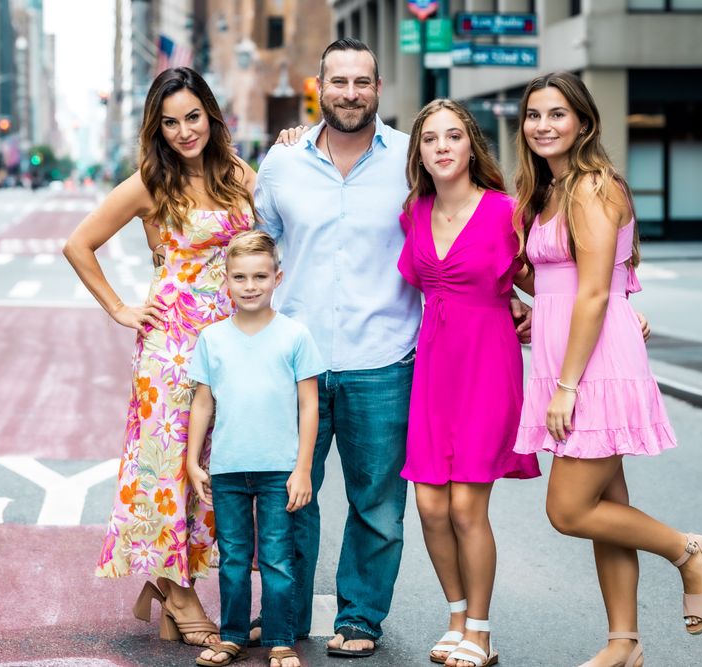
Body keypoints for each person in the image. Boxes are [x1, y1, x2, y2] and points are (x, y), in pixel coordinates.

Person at [255, 38, 532, 658]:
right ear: (318, 87)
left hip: (386, 358)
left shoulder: (416, 158)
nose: (349, 92)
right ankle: (287, 617)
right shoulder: (282, 164)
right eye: (338, 81)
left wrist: (514, 298)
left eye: (362, 82)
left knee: (377, 507)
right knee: (289, 499)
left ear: (378, 89)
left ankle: (359, 619)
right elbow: (257, 247)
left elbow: (478, 237)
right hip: (297, 361)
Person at [511, 71, 702, 667]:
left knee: (569, 510)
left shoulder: (591, 186)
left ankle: (692, 551)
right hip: (572, 353)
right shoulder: (550, 191)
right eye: (534, 115)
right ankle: (624, 644)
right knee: (608, 506)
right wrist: (524, 302)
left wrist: (566, 386)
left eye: (558, 114)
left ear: (584, 122)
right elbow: (567, 280)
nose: (544, 125)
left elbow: (594, 294)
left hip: (590, 367)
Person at [63, 66, 257, 647]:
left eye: (192, 117)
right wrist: (120, 308)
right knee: (167, 469)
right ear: (157, 128)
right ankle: (177, 590)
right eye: (169, 122)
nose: (183, 131)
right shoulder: (150, 182)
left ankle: (173, 582)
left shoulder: (240, 174)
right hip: (171, 350)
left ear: (211, 115)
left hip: (232, 348)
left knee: (213, 470)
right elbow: (79, 244)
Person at [397, 99, 541, 667]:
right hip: (431, 370)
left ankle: (479, 632)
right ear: (421, 154)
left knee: (464, 508)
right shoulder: (414, 212)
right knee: (429, 506)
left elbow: (550, 278)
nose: (442, 146)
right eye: (430, 139)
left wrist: (529, 307)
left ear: (470, 145)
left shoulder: (508, 211)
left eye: (453, 135)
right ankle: (455, 615)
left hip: (487, 365)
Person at [186, 230, 324, 667]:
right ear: (225, 280)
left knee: (279, 561)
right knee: (233, 560)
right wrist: (192, 461)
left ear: (277, 278)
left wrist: (302, 469)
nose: (250, 286)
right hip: (227, 469)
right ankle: (232, 636)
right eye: (241, 277)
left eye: (260, 276)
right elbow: (203, 401)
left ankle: (280, 640)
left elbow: (309, 405)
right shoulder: (213, 339)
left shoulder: (295, 336)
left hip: (278, 470)